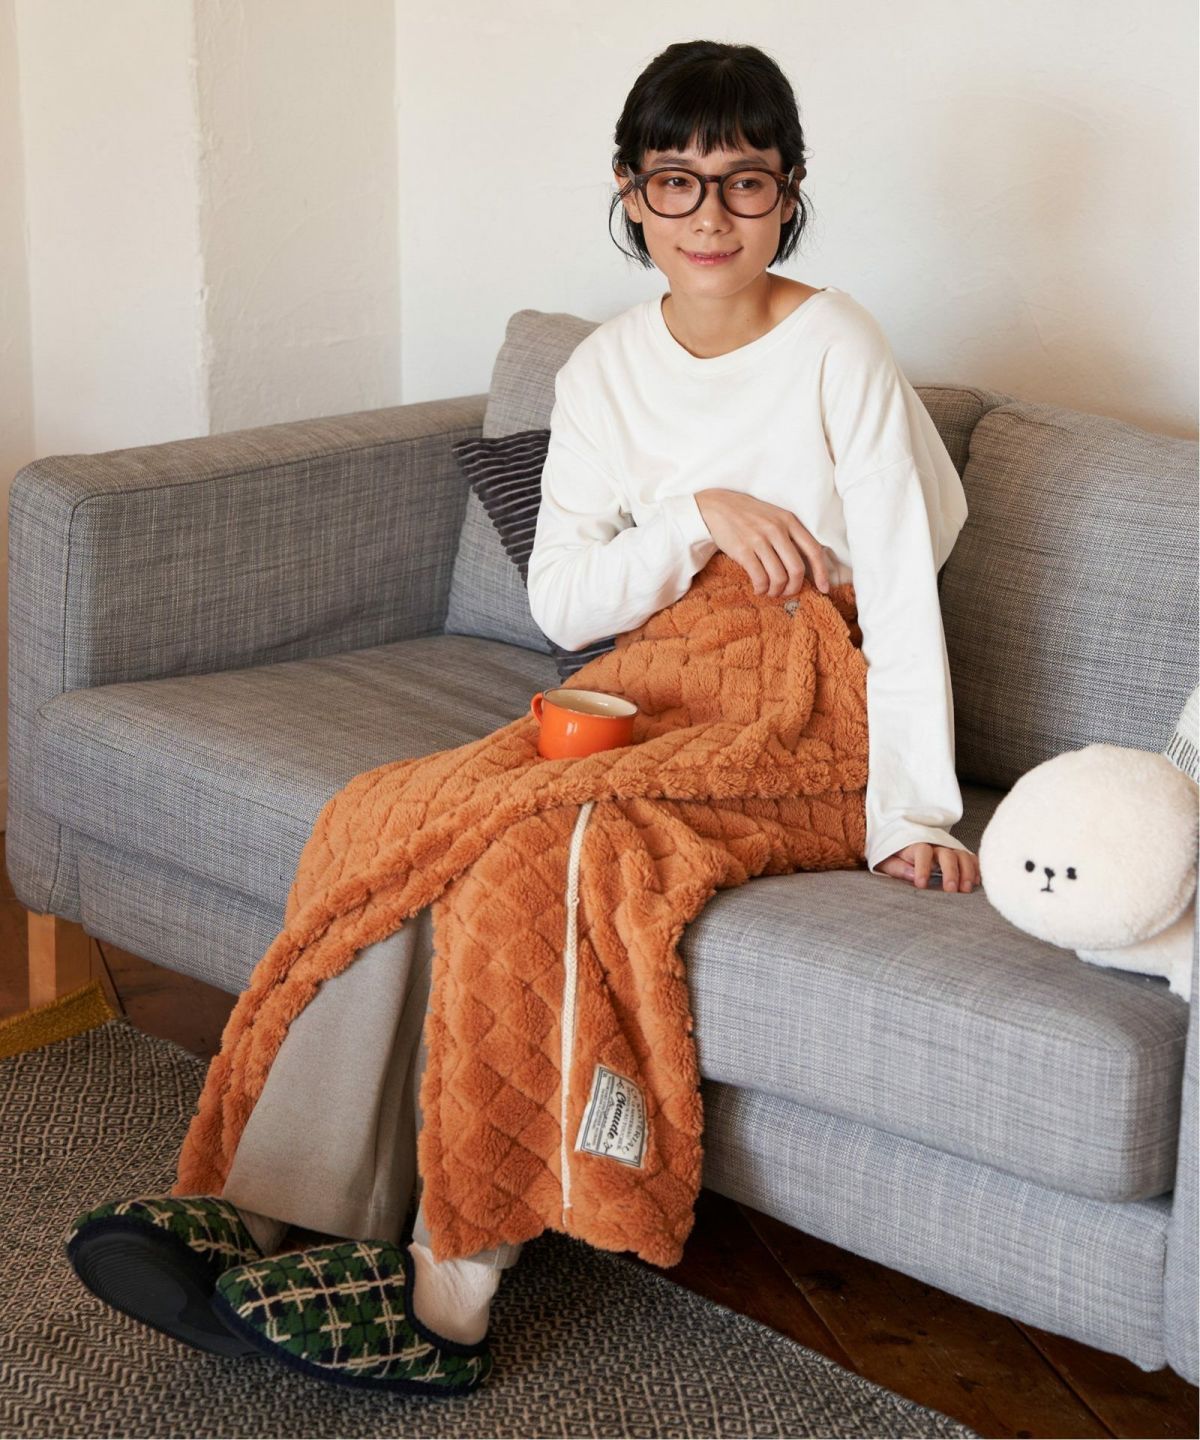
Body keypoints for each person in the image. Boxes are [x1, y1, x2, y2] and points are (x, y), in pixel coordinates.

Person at [63, 37, 979, 1396]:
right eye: (676, 181)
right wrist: (695, 518)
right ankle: (269, 1209)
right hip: (648, 680)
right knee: (392, 811)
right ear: (629, 189)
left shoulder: (836, 341)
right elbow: (564, 600)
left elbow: (901, 580)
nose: (711, 216)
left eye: (745, 181)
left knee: (551, 853)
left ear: (789, 193)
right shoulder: (604, 369)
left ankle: (451, 1290)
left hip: (806, 702)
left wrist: (914, 815)